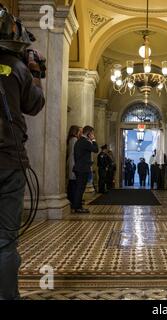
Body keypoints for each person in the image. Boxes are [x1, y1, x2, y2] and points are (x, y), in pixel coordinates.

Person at [0, 5, 46, 299]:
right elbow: (35, 104)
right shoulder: (16, 68)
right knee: (5, 240)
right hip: (8, 161)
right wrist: (36, 73)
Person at [72, 126, 99, 213]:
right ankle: (78, 207)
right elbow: (96, 149)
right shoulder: (85, 142)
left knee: (79, 188)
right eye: (92, 133)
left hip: (79, 167)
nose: (93, 135)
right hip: (82, 169)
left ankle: (77, 206)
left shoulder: (79, 141)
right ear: (89, 133)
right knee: (80, 189)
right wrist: (93, 140)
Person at [67, 126, 82, 202]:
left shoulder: (72, 139)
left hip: (72, 162)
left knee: (73, 182)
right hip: (74, 163)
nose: (80, 133)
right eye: (79, 131)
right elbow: (76, 153)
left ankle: (74, 198)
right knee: (73, 182)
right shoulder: (74, 140)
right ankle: (73, 199)